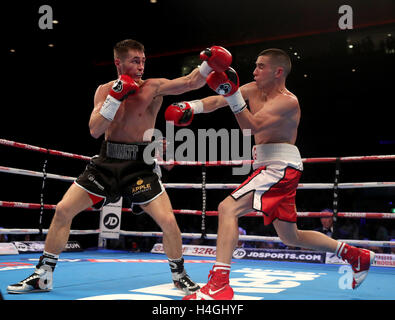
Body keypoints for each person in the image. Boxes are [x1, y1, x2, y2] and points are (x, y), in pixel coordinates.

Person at [7, 39, 232, 294]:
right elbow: (95, 130)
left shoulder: (153, 87)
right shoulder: (104, 90)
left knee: (169, 221)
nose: (140, 66)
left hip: (139, 166)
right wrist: (115, 96)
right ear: (119, 62)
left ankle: (179, 275)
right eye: (135, 61)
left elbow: (191, 82)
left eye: (143, 61)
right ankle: (43, 275)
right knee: (62, 210)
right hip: (106, 163)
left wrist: (207, 65)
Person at [165, 48, 375, 300]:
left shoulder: (288, 101)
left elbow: (250, 126)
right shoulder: (253, 89)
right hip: (268, 165)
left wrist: (231, 94)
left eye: (261, 66)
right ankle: (355, 254)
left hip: (279, 165)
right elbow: (218, 100)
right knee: (290, 236)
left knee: (227, 208)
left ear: (278, 72)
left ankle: (220, 283)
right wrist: (191, 106)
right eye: (255, 65)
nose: (254, 71)